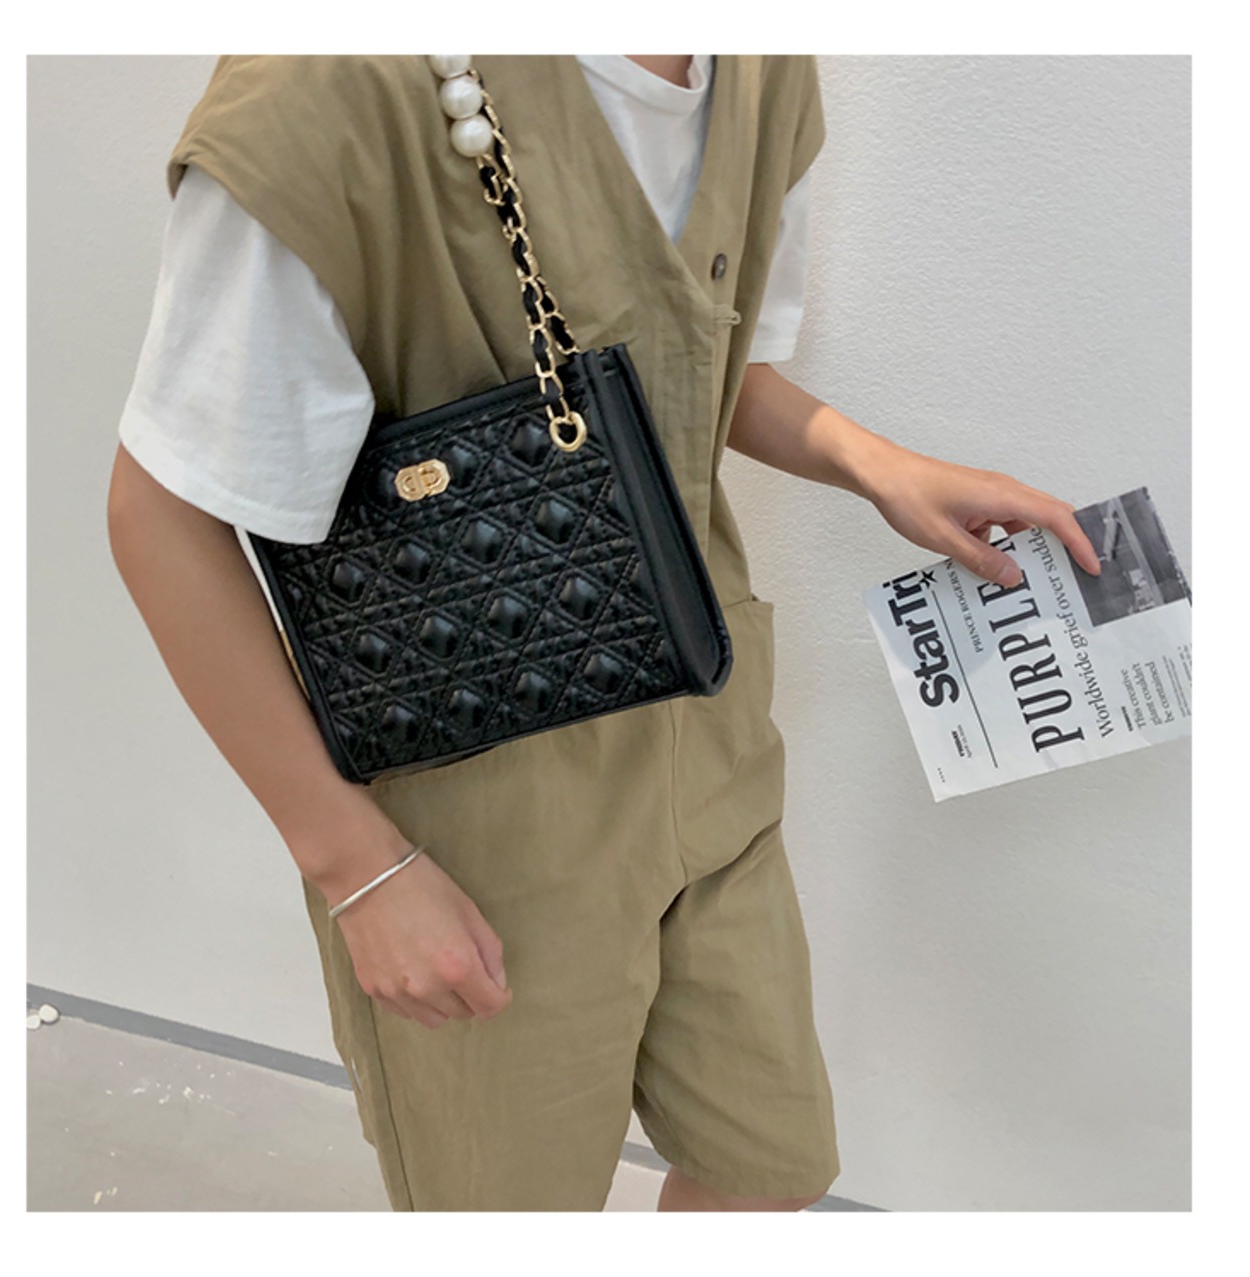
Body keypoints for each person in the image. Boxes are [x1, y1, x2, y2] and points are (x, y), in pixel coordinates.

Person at [106, 54, 1102, 1212]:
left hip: (707, 747)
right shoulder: (330, 90)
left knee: (763, 1165)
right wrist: (358, 868)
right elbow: (163, 514)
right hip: (480, 813)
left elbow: (687, 356)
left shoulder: (762, 72)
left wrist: (876, 465)